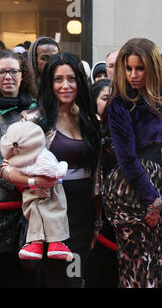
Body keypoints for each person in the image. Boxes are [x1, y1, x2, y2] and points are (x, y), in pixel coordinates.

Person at [20, 52, 101, 288]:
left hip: (83, 210)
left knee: (76, 276)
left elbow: (96, 174)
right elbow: (6, 168)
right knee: (59, 279)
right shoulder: (34, 120)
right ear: (49, 83)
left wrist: (97, 220)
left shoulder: (89, 120)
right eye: (58, 79)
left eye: (71, 79)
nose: (65, 85)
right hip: (50, 211)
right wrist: (36, 182)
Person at [102, 38, 162, 288]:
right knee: (138, 270)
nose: (133, 75)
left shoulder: (159, 103)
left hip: (158, 191)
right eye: (129, 68)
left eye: (140, 68)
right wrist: (152, 201)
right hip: (133, 194)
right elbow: (127, 158)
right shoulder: (119, 105)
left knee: (159, 267)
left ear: (153, 68)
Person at [1, 121, 72, 261]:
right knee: (36, 210)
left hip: (74, 194)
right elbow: (4, 168)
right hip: (30, 190)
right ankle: (36, 244)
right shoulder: (30, 120)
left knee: (53, 210)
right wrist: (32, 181)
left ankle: (54, 243)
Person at [0, 49, 39, 287]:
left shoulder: (36, 111)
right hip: (3, 205)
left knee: (28, 275)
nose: (8, 77)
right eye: (2, 72)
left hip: (30, 211)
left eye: (13, 71)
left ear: (23, 75)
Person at [84, 78, 119, 288]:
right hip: (92, 212)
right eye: (105, 98)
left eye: (115, 99)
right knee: (96, 266)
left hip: (119, 212)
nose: (111, 103)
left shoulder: (125, 129)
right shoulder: (88, 131)